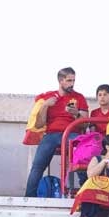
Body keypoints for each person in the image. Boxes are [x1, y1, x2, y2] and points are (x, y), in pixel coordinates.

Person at [25, 67, 89, 197]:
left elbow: (86, 122)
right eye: (69, 80)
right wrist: (45, 106)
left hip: (72, 133)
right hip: (51, 135)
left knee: (82, 160)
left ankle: (86, 196)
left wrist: (76, 113)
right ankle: (29, 197)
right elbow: (39, 124)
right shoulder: (47, 98)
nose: (72, 84)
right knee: (37, 166)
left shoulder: (79, 97)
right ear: (61, 81)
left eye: (73, 80)